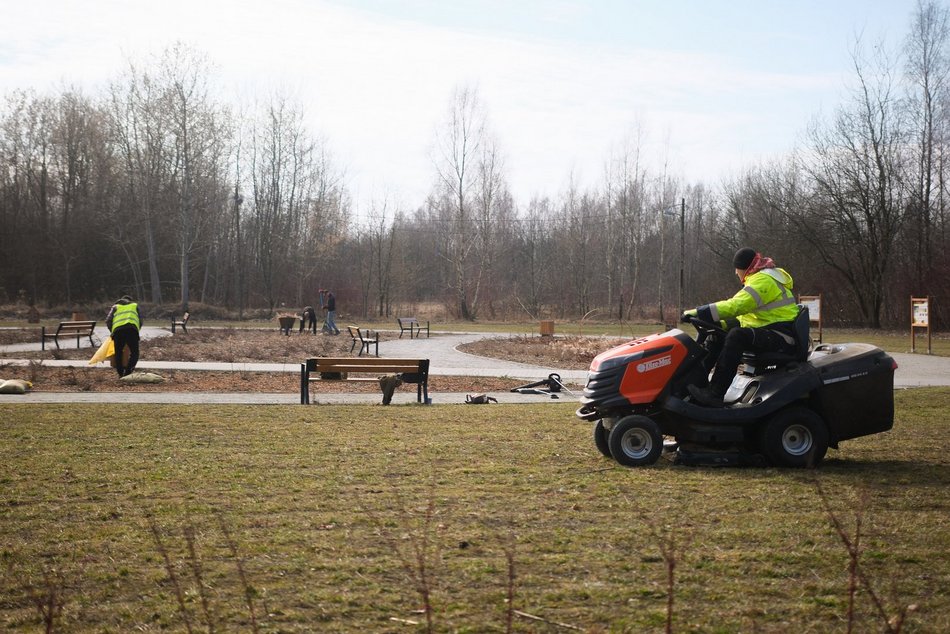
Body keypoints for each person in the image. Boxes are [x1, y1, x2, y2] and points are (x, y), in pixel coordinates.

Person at [683, 247, 799, 407]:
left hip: (781, 336)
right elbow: (745, 318)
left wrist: (698, 312)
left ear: (743, 269)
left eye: (736, 270)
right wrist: (720, 325)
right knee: (719, 334)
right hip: (769, 331)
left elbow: (736, 306)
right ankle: (697, 384)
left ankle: (715, 393)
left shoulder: (763, 280)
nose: (736, 274)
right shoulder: (760, 278)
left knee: (736, 336)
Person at [105, 294, 142, 378]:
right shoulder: (134, 305)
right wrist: (136, 330)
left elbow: (108, 320)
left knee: (118, 352)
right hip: (131, 330)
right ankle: (128, 372)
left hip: (118, 332)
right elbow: (140, 320)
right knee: (135, 353)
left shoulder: (115, 307)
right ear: (130, 300)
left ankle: (120, 373)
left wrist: (112, 331)